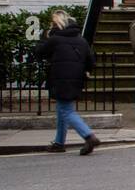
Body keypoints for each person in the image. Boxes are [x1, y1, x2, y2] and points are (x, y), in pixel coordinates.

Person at [33, 11, 101, 155]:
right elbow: (91, 61)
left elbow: (39, 53)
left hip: (60, 78)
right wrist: (86, 70)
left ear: (57, 24)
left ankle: (89, 136)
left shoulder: (55, 39)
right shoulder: (81, 40)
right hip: (76, 79)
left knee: (66, 110)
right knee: (62, 109)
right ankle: (59, 143)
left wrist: (43, 37)